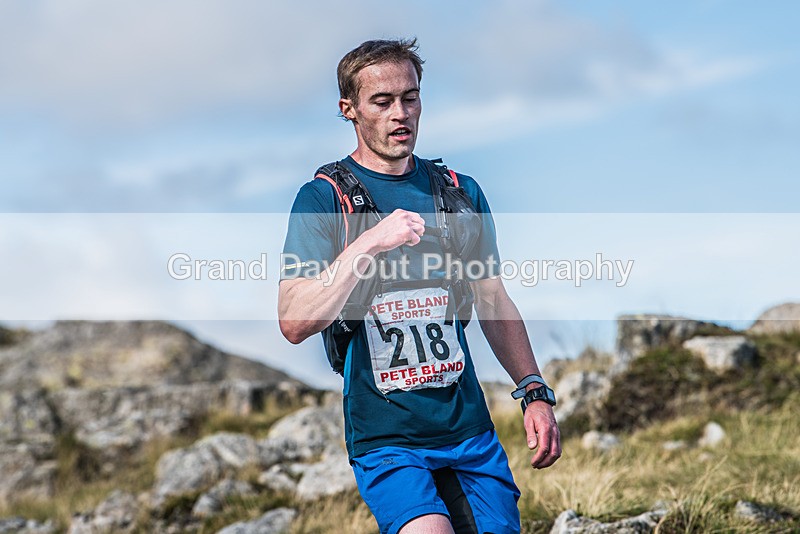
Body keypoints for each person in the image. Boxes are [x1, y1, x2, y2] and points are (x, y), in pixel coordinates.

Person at [278, 38, 561, 534]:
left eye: (410, 98)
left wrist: (534, 391)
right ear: (349, 109)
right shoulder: (323, 198)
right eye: (381, 102)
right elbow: (294, 321)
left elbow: (492, 299)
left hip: (469, 431)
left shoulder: (459, 192)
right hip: (386, 437)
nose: (399, 114)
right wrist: (368, 244)